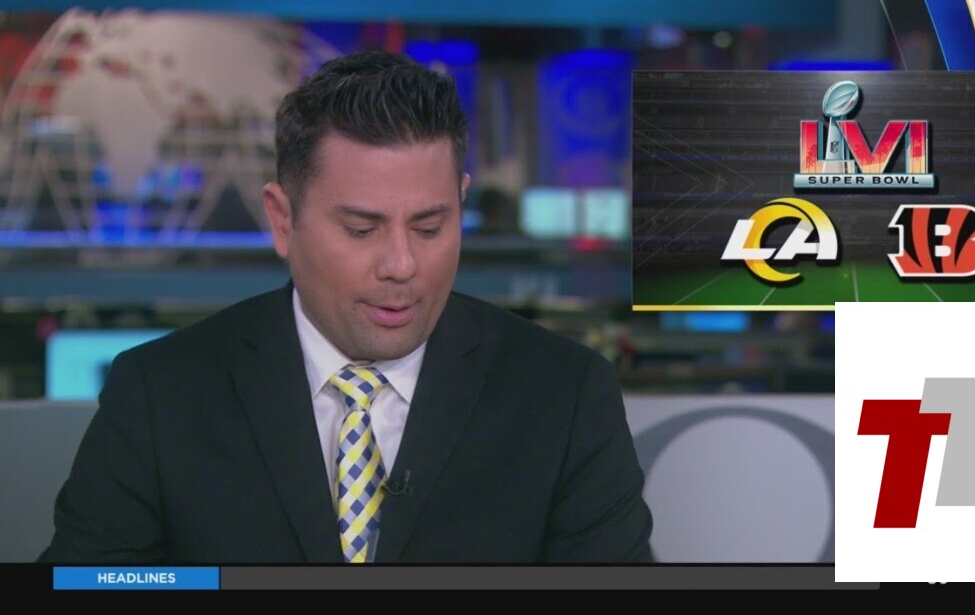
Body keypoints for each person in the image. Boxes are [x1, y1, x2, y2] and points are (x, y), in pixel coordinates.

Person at [39, 51, 653, 564]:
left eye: (430, 227)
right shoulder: (161, 394)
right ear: (283, 219)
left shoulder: (564, 395)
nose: (401, 264)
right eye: (361, 229)